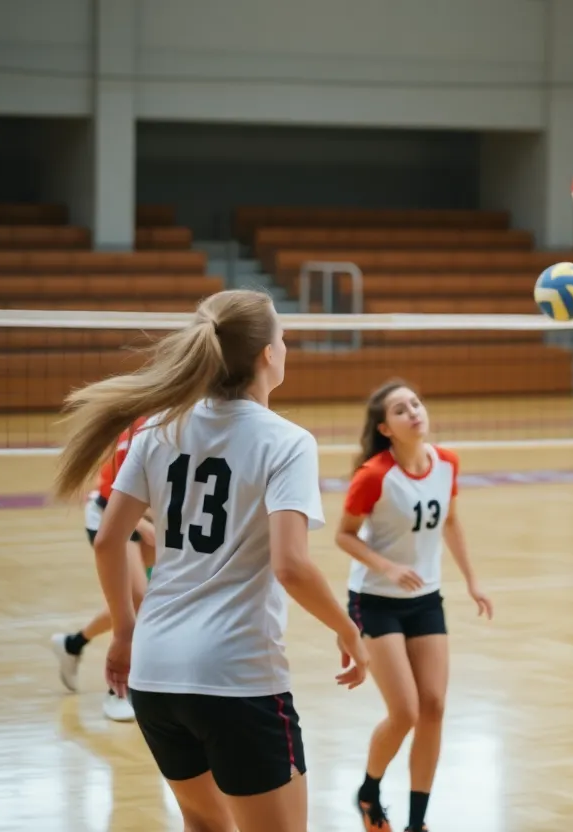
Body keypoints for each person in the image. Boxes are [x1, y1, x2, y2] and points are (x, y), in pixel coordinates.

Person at [52, 289, 370, 832]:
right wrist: (348, 629)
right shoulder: (287, 442)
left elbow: (109, 539)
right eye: (284, 338)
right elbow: (290, 565)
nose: (286, 347)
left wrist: (125, 634)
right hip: (237, 677)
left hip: (155, 673)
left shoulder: (157, 430)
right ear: (267, 355)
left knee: (205, 825)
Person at [335, 380, 493, 832]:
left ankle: (417, 823)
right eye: (402, 410)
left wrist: (472, 582)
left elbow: (451, 522)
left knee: (435, 706)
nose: (414, 412)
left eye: (416, 404)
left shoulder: (447, 462)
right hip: (376, 600)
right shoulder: (373, 475)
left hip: (425, 598)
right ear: (386, 428)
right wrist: (385, 566)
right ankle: (368, 792)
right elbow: (344, 535)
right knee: (405, 711)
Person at [51, 415, 155, 722]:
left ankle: (72, 644)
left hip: (151, 520)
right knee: (136, 600)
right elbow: (112, 492)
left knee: (135, 600)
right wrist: (140, 523)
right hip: (110, 516)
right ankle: (119, 690)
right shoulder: (144, 426)